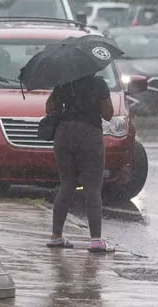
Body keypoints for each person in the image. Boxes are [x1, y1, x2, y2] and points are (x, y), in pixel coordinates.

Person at [44, 74, 115, 253]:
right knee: (92, 187)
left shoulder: (64, 82)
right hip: (89, 136)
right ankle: (96, 241)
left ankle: (56, 236)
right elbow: (108, 114)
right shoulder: (98, 83)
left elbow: (49, 108)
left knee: (67, 183)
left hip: (64, 135)